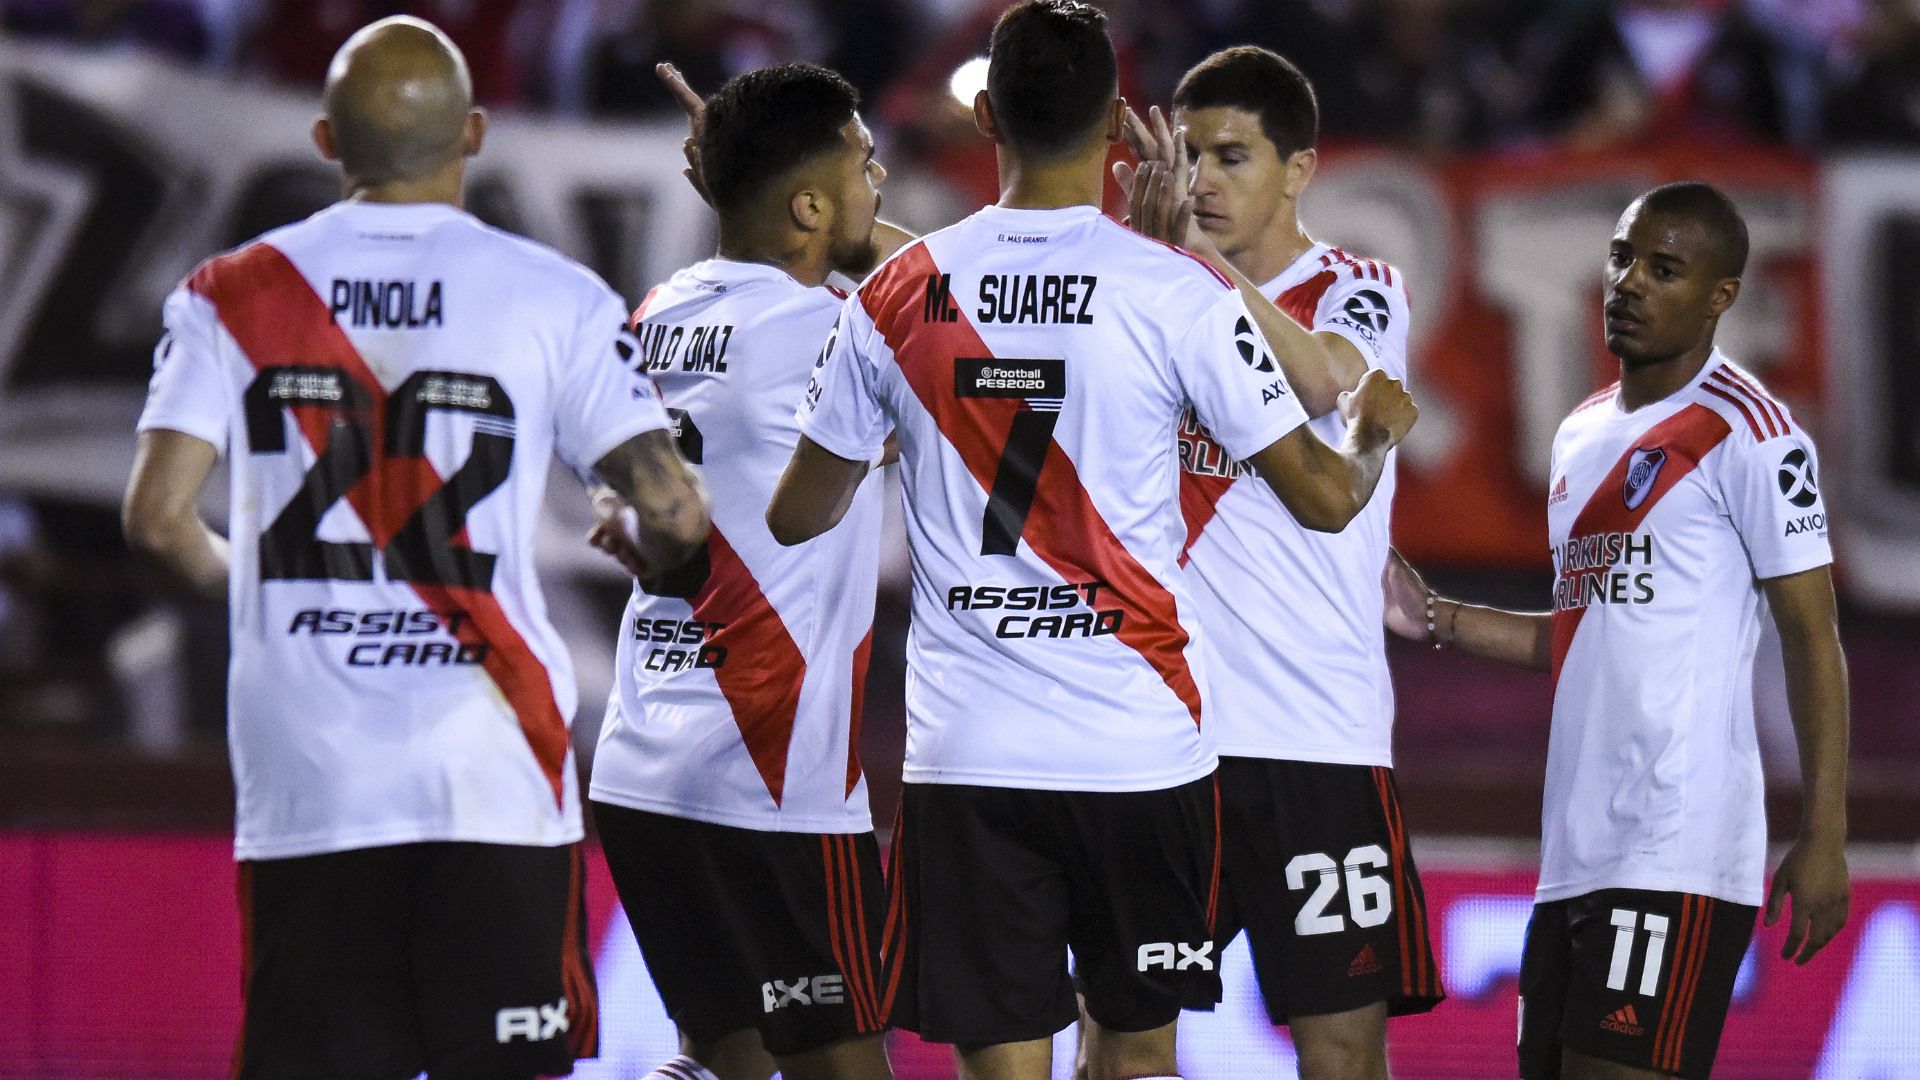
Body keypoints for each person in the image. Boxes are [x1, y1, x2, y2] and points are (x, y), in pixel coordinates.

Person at [765, 4, 1420, 1079]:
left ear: (985, 116)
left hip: (967, 753)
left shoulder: (899, 293)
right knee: (1138, 1057)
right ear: (1123, 121)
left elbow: (799, 512)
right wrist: (1371, 437)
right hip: (1140, 746)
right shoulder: (1177, 290)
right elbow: (1325, 497)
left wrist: (896, 433)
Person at [119, 17, 710, 1079]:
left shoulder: (228, 293)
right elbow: (671, 517)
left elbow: (158, 520)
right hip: (493, 767)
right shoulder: (558, 295)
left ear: (325, 138)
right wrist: (644, 535)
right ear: (475, 132)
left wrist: (260, 593)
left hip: (312, 772)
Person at [1384, 182, 1850, 1080]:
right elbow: (1585, 640)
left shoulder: (1752, 433)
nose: (1629, 283)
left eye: (1664, 269)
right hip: (1576, 852)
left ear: (1723, 295)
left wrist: (1823, 833)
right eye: (1623, 258)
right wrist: (1435, 616)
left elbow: (1811, 635)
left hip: (1677, 847)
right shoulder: (1581, 433)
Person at [1114, 46, 1443, 1080]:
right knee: (1122, 1046)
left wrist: (1186, 261)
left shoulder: (1358, 287)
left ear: (1299, 169)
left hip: (1318, 744)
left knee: (1341, 1054)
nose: (1203, 179)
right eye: (1190, 155)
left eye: (1233, 156)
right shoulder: (1140, 297)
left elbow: (1328, 382)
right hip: (1162, 741)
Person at [583, 61, 909, 1080]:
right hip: (774, 779)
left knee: (724, 1060)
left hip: (642, 764)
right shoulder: (839, 333)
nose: (882, 177)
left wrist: (752, 184)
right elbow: (972, 299)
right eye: (863, 163)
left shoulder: (655, 310)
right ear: (811, 203)